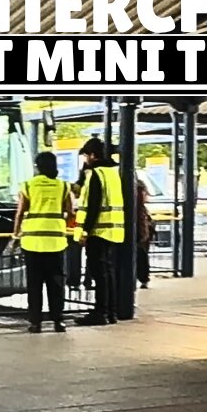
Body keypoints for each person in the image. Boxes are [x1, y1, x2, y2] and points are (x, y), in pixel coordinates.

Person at [14, 151, 73, 333]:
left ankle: (35, 322)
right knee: (56, 283)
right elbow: (70, 212)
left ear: (37, 167)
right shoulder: (63, 187)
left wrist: (16, 234)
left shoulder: (29, 186)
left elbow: (20, 213)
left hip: (32, 242)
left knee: (35, 284)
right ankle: (58, 321)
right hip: (55, 241)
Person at [74, 138, 125, 325]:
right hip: (114, 230)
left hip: (98, 231)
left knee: (99, 273)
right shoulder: (114, 173)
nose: (85, 159)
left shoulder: (97, 174)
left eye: (86, 156)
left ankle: (100, 312)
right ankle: (110, 312)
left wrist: (85, 232)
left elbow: (93, 205)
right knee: (108, 272)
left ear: (93, 155)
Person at [136, 179, 155, 289]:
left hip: (138, 228)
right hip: (141, 229)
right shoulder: (139, 186)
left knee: (140, 254)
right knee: (142, 254)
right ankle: (143, 278)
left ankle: (142, 278)